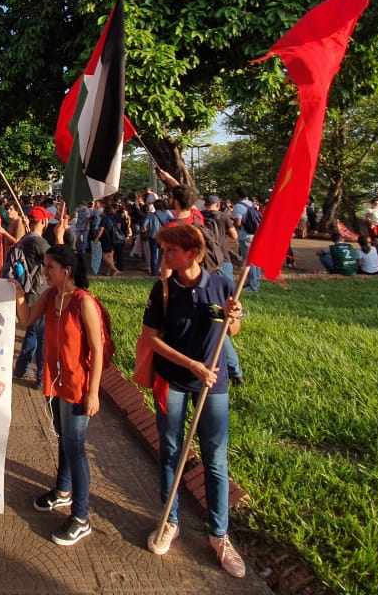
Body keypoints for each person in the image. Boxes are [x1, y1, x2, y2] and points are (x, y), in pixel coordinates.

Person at [140, 223, 246, 578]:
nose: (164, 256)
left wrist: (234, 318)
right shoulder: (164, 290)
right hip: (174, 381)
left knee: (215, 461)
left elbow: (230, 330)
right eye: (164, 250)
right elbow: (152, 340)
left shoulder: (221, 285)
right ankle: (169, 520)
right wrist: (191, 366)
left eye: (170, 250)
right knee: (170, 452)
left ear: (192, 252)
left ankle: (219, 535)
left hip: (213, 387)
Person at [14, 244, 105, 547]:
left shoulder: (83, 302)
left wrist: (93, 392)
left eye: (50, 267)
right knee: (63, 439)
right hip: (56, 382)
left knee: (76, 448)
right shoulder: (51, 296)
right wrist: (18, 294)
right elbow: (26, 319)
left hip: (78, 387)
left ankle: (81, 518)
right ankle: (63, 491)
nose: (46, 271)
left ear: (66, 271)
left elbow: (97, 349)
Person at [10, 208, 51, 384]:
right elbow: (58, 260)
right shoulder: (39, 242)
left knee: (32, 332)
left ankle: (21, 368)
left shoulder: (26, 239)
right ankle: (41, 377)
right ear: (43, 222)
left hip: (27, 291)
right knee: (42, 336)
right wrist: (60, 236)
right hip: (38, 292)